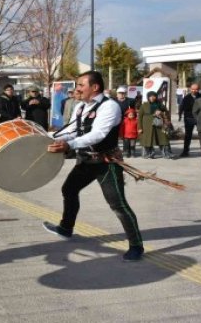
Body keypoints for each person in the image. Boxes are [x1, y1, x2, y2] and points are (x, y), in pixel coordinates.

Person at [44, 71, 144, 262]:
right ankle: (66, 228)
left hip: (106, 163)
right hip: (86, 160)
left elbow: (98, 134)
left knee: (118, 205)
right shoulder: (81, 106)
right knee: (69, 189)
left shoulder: (109, 106)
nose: (77, 89)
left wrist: (69, 145)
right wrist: (47, 138)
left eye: (81, 85)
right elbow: (72, 131)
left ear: (94, 87)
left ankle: (136, 245)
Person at [138, 91, 171, 159]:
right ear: (148, 97)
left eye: (154, 96)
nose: (152, 98)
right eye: (150, 96)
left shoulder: (159, 104)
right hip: (147, 125)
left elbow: (166, 112)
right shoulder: (144, 105)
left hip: (158, 124)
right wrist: (140, 127)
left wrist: (161, 112)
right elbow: (140, 117)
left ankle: (165, 153)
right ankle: (148, 153)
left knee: (162, 138)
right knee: (147, 139)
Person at [179, 83, 201, 157]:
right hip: (189, 118)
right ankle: (185, 151)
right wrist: (180, 115)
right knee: (188, 135)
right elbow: (182, 107)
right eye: (193, 89)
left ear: (198, 89)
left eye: (196, 89)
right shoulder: (186, 98)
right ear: (190, 89)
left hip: (200, 118)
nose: (194, 90)